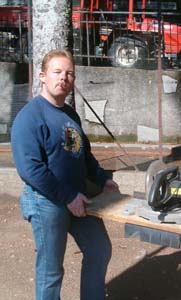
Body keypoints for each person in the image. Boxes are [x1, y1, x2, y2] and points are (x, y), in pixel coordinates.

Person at [11, 49, 120, 300]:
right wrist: (67, 196)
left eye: (69, 73)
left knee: (99, 250)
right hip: (46, 202)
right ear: (42, 76)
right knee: (51, 272)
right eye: (57, 72)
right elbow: (30, 169)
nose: (64, 78)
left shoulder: (70, 114)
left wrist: (103, 179)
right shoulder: (30, 117)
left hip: (79, 198)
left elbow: (84, 155)